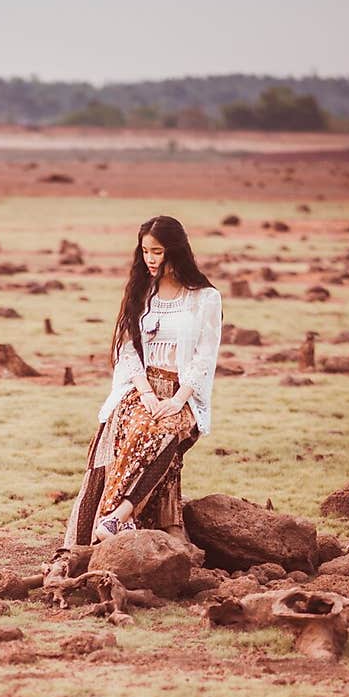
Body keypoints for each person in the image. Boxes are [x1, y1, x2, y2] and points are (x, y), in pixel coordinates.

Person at [61, 215, 222, 550]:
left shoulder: (205, 298)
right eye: (145, 251)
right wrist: (146, 393)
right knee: (137, 429)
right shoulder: (142, 291)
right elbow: (127, 348)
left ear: (176, 251)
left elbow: (205, 357)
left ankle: (117, 515)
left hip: (182, 393)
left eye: (157, 251)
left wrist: (179, 400)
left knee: (166, 431)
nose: (149, 259)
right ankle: (116, 520)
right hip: (140, 388)